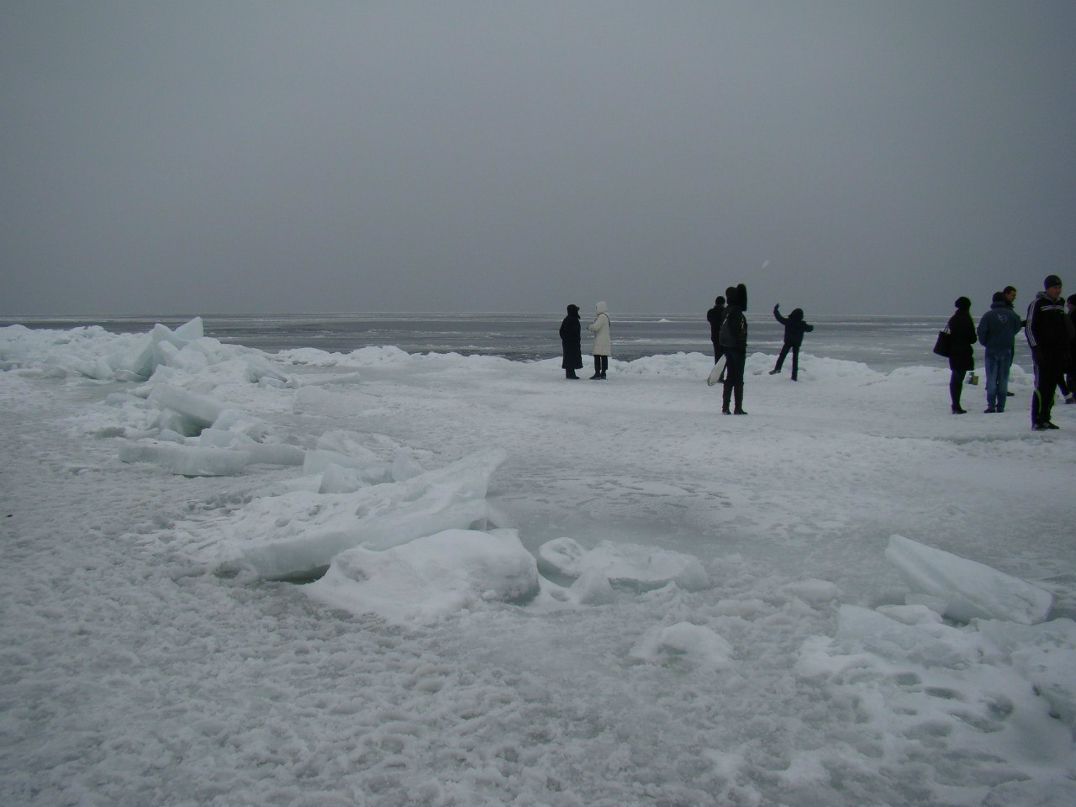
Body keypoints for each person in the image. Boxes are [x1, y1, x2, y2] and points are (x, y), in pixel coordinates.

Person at [1026, 275, 1072, 429]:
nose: (1058, 291)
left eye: (1059, 288)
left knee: (1052, 387)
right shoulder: (1038, 304)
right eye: (1055, 288)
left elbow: (1064, 328)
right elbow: (1029, 328)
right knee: (1042, 386)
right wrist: (1036, 349)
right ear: (1047, 288)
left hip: (1057, 353)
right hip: (1042, 352)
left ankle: (1046, 417)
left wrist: (1066, 349)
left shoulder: (1060, 304)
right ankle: (1037, 419)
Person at [977, 291, 1023, 412]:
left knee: (991, 379)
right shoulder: (1012, 314)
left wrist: (986, 342)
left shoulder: (988, 315)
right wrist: (1008, 336)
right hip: (1006, 349)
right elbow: (1017, 326)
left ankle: (991, 405)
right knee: (1003, 379)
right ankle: (1001, 406)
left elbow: (981, 331)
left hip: (991, 350)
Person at [718, 283, 748, 414]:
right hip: (737, 348)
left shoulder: (726, 311)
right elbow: (738, 331)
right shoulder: (737, 312)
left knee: (730, 377)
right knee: (738, 378)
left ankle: (725, 407)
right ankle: (738, 407)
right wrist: (741, 344)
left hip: (727, 347)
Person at [946, 297, 976, 414]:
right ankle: (956, 405)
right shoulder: (967, 319)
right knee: (960, 378)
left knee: (955, 378)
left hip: (953, 352)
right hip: (964, 352)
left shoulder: (953, 319)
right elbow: (973, 339)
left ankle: (955, 403)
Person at [768, 304, 814, 381]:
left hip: (788, 342)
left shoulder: (788, 321)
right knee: (795, 360)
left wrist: (776, 310)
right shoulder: (802, 324)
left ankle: (777, 368)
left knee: (782, 356)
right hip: (797, 344)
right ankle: (794, 377)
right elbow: (809, 329)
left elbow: (779, 318)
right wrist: (811, 327)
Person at [1002, 286, 1023, 398]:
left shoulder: (1005, 308)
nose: (1014, 297)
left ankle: (997, 386)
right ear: (1006, 294)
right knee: (1004, 366)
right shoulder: (1006, 309)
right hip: (1006, 341)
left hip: (1004, 341)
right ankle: (1001, 388)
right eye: (1013, 295)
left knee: (1002, 366)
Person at [587, 301, 611, 380]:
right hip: (605, 339)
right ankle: (603, 373)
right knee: (604, 357)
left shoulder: (601, 317)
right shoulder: (607, 317)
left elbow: (596, 327)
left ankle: (597, 373)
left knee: (597, 356)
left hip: (600, 340)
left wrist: (590, 327)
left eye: (597, 308)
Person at [559, 304, 583, 380]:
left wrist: (565, 339)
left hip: (569, 343)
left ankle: (570, 373)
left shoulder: (568, 319)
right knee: (571, 358)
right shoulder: (572, 319)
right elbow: (568, 331)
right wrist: (570, 339)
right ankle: (570, 374)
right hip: (572, 343)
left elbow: (561, 331)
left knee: (569, 358)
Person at [706, 296, 726, 364]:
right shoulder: (726, 312)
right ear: (723, 303)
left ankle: (717, 368)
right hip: (724, 337)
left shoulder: (711, 312)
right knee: (725, 356)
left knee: (717, 355)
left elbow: (709, 319)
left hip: (715, 336)